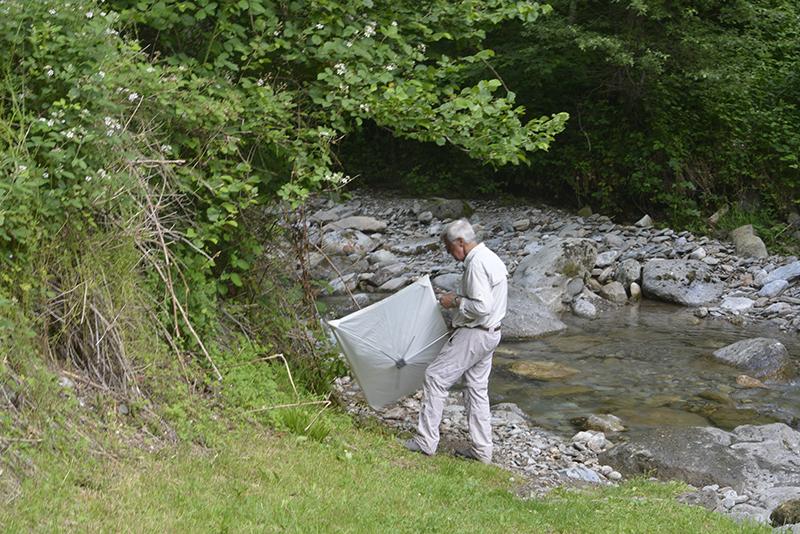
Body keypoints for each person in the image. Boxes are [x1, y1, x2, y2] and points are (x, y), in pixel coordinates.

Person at [404, 218, 508, 463]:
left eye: (450, 248)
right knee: (476, 389)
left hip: (476, 332)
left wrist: (455, 301)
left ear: (461, 242)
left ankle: (425, 441)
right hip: (493, 332)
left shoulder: (476, 263)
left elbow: (482, 306)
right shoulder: (491, 257)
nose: (451, 254)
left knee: (435, 377)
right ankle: (482, 451)